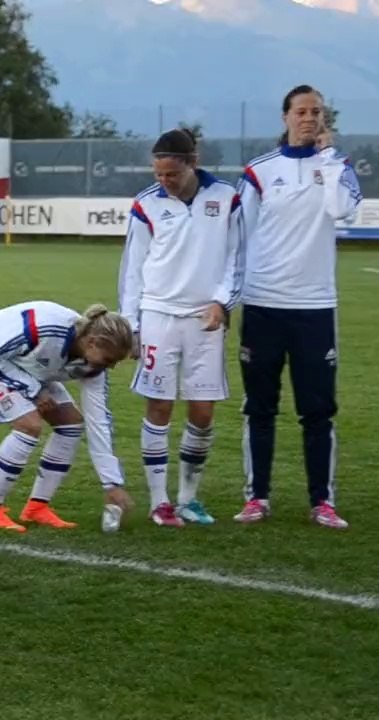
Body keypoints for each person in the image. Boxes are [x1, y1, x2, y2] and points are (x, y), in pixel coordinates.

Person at [235, 84, 361, 530]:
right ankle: (257, 497)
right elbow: (238, 235)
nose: (309, 118)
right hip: (263, 304)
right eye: (302, 111)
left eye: (317, 112)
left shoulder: (340, 166)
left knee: (318, 410)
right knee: (260, 408)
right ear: (286, 116)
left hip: (314, 306)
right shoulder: (259, 171)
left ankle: (322, 501)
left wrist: (327, 159)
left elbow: (342, 210)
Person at [119, 129, 244, 528]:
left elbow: (237, 257)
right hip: (158, 315)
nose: (164, 181)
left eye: (171, 174)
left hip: (204, 319)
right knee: (159, 406)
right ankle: (160, 502)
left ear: (193, 162)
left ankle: (189, 498)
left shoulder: (226, 198)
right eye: (158, 174)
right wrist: (131, 326)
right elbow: (132, 269)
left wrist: (222, 302)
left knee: (203, 412)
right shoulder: (146, 204)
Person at [0, 302, 135, 530]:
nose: (111, 367)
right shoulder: (47, 330)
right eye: (109, 360)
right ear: (92, 342)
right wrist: (34, 391)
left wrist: (111, 483)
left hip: (20, 365)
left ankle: (37, 508)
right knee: (29, 425)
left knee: (71, 423)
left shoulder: (93, 367)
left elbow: (98, 422)